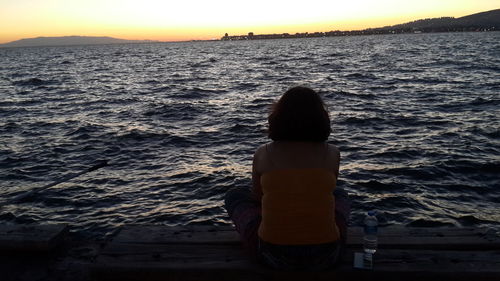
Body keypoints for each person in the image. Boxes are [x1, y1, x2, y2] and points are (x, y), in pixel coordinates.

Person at [224, 86, 350, 270]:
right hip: (327, 255)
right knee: (340, 194)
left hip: (272, 255)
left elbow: (258, 198)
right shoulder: (332, 153)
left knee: (235, 195)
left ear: (278, 118)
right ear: (321, 117)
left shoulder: (263, 153)